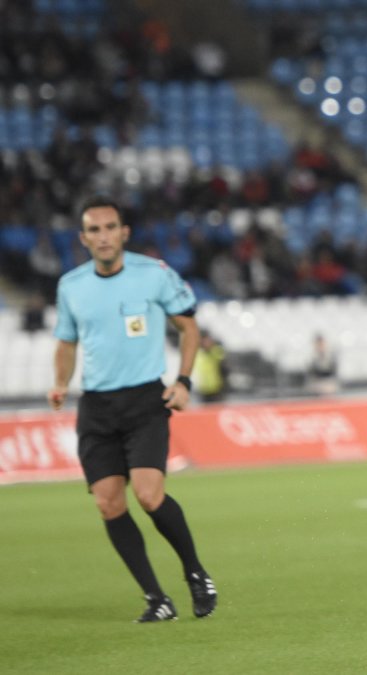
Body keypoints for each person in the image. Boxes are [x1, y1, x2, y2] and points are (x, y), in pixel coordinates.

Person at [48, 196, 217, 623]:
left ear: (124, 232)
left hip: (145, 400)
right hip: (97, 407)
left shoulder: (154, 274)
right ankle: (156, 598)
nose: (103, 236)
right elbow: (66, 343)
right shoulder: (71, 286)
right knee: (108, 504)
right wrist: (60, 383)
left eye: (110, 227)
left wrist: (183, 381)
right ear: (83, 238)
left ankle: (195, 572)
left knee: (148, 495)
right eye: (94, 230)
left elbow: (189, 327)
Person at [193, 331, 229, 403]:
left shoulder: (216, 352)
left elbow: (224, 366)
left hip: (217, 389)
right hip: (203, 389)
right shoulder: (199, 354)